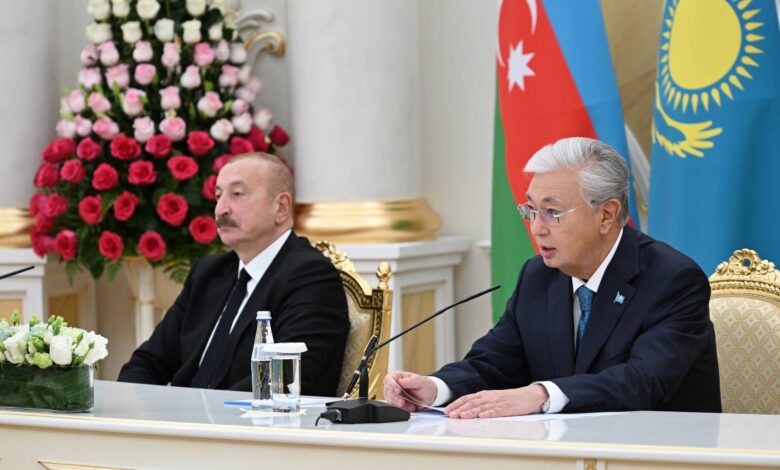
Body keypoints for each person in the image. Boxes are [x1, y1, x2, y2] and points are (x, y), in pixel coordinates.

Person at [384, 137, 721, 417]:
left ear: (607, 214)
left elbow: (643, 380)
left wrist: (541, 394)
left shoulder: (672, 279)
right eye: (531, 210)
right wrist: (434, 388)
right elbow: (495, 361)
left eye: (552, 212)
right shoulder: (539, 276)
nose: (536, 228)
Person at [119, 153, 349, 395]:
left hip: (248, 419)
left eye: (237, 194)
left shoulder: (311, 278)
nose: (221, 209)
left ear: (281, 207)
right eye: (218, 196)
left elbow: (282, 381)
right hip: (185, 416)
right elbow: (147, 363)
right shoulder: (208, 273)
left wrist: (197, 412)